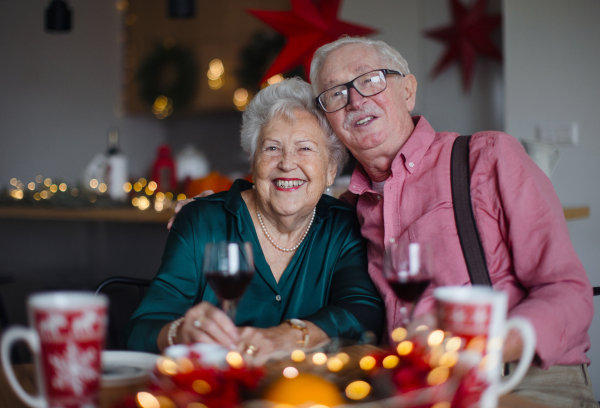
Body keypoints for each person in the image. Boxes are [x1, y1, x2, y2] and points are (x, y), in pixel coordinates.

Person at [308, 36, 596, 407]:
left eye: (370, 79)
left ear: (408, 91)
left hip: (521, 382)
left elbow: (568, 292)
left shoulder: (488, 158)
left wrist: (484, 347)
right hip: (410, 392)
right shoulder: (345, 211)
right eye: (335, 93)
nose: (355, 99)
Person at [123, 77, 384, 364]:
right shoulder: (202, 221)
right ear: (253, 162)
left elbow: (362, 310)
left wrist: (291, 335)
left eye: (305, 148)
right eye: (272, 148)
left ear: (331, 170)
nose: (286, 163)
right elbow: (140, 330)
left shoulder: (344, 226)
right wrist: (178, 332)